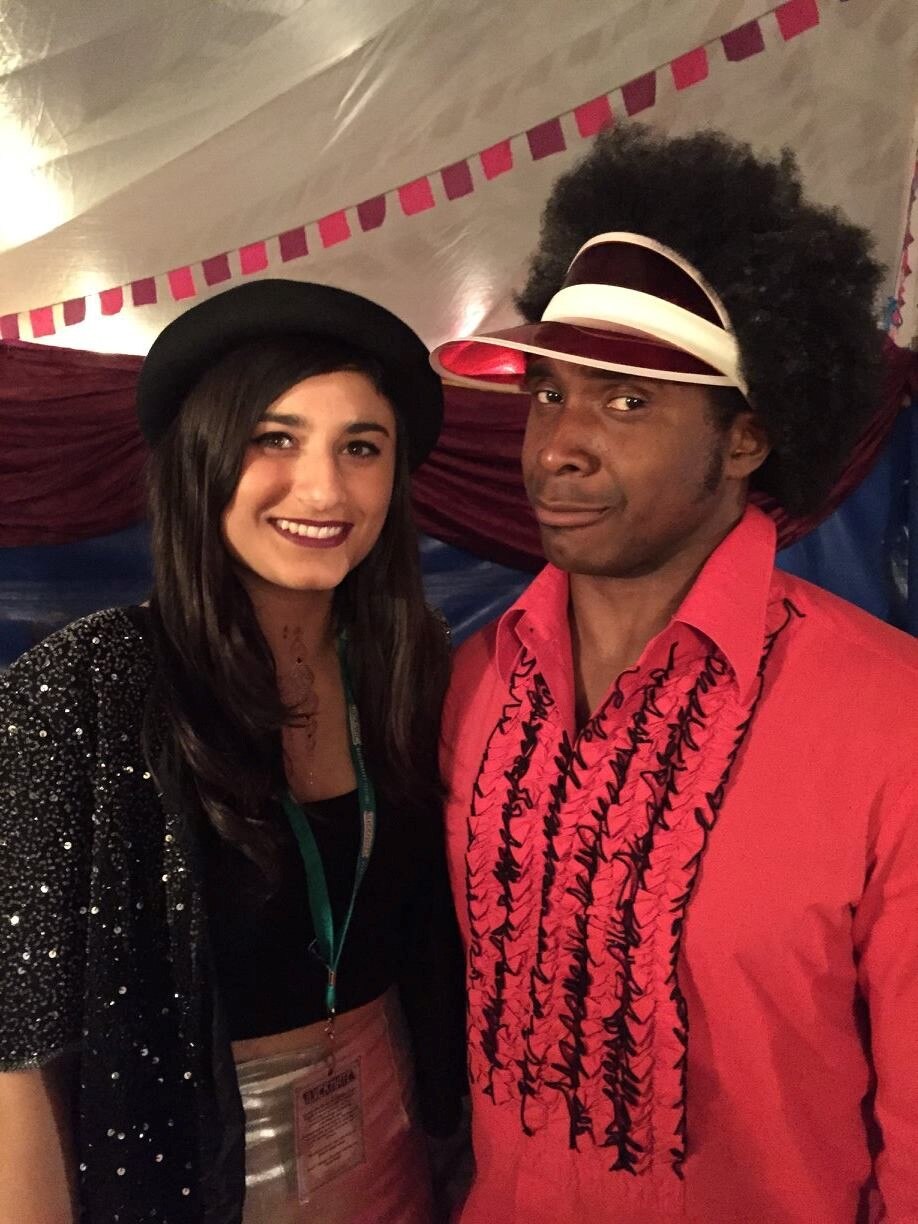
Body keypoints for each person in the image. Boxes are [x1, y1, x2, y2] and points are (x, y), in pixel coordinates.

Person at [431, 125, 918, 1222]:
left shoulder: (892, 728)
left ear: (745, 439)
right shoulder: (475, 687)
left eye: (628, 401)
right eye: (549, 393)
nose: (558, 445)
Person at [0, 280, 465, 1223]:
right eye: (275, 439)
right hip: (191, 1167)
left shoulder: (415, 665)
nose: (325, 489)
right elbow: (22, 1055)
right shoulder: (77, 689)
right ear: (200, 459)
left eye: (361, 449)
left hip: (397, 1145)